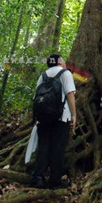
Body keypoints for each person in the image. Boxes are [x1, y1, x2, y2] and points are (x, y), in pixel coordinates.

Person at [31, 53, 76, 189]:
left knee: (43, 146)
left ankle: (38, 177)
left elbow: (36, 98)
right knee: (58, 148)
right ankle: (55, 181)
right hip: (61, 117)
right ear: (59, 62)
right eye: (62, 59)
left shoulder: (43, 75)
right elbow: (70, 94)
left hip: (43, 118)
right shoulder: (65, 73)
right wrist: (74, 114)